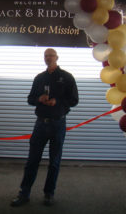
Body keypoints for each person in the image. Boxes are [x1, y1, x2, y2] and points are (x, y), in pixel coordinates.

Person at [10, 48, 79, 207]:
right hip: (40, 124)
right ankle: (24, 193)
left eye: (51, 56)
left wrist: (58, 102)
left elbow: (74, 100)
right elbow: (30, 99)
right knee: (32, 160)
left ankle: (49, 194)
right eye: (46, 56)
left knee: (54, 161)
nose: (48, 58)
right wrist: (39, 99)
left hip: (58, 124)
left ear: (57, 57)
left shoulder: (67, 77)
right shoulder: (39, 78)